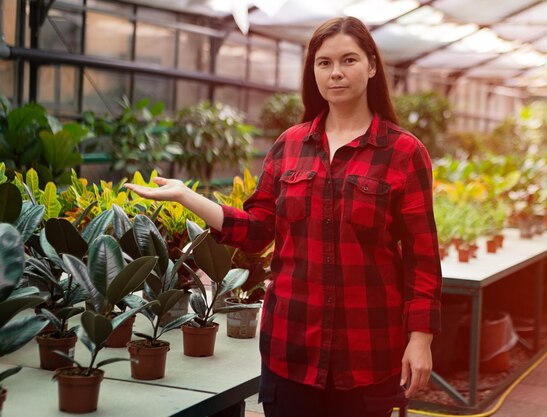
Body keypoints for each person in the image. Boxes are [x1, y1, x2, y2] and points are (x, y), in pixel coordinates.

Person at [125, 16, 442, 417]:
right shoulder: (289, 146)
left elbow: (422, 258)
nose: (336, 73)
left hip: (367, 352)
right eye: (324, 63)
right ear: (313, 72)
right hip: (291, 349)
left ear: (372, 66)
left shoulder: (402, 152)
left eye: (349, 60)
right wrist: (189, 198)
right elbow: (258, 231)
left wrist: (421, 339)